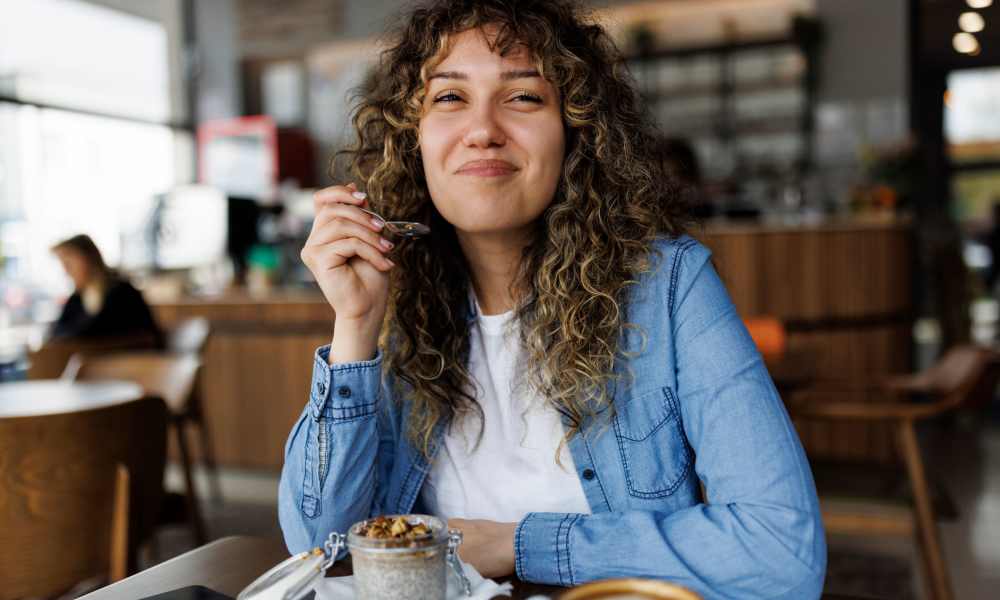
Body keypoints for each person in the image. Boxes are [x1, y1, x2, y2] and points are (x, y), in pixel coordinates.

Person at [279, 1, 826, 598]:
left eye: (522, 97)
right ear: (414, 141)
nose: (483, 129)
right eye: (449, 98)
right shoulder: (395, 302)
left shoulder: (668, 287)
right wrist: (355, 327)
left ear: (576, 131)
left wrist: (514, 544)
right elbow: (322, 548)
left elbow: (781, 553)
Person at [49, 234, 163, 347]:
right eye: (63, 264)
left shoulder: (122, 293)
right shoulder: (76, 299)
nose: (66, 271)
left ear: (89, 257)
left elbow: (94, 334)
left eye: (69, 263)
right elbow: (56, 333)